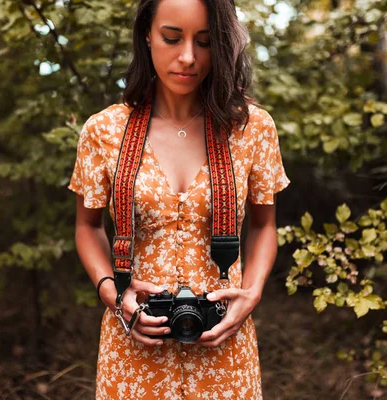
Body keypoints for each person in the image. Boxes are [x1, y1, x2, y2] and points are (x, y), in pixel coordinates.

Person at [68, 0, 290, 398]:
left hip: (225, 347)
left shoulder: (251, 128)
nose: (187, 57)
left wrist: (250, 295)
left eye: (204, 42)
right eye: (172, 38)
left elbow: (264, 224)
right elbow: (87, 227)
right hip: (133, 350)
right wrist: (112, 293)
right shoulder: (104, 131)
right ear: (147, 36)